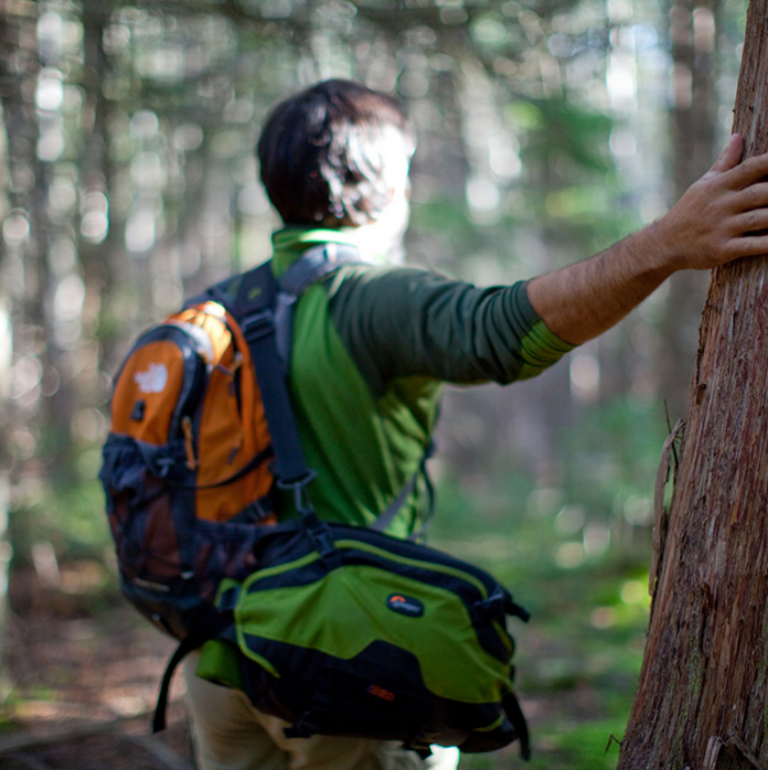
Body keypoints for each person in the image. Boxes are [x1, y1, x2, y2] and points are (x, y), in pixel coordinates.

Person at [182, 79, 768, 770]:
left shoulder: (216, 311)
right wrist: (667, 243)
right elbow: (501, 332)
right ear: (381, 184)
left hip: (217, 661)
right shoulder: (370, 295)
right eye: (407, 170)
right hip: (337, 665)